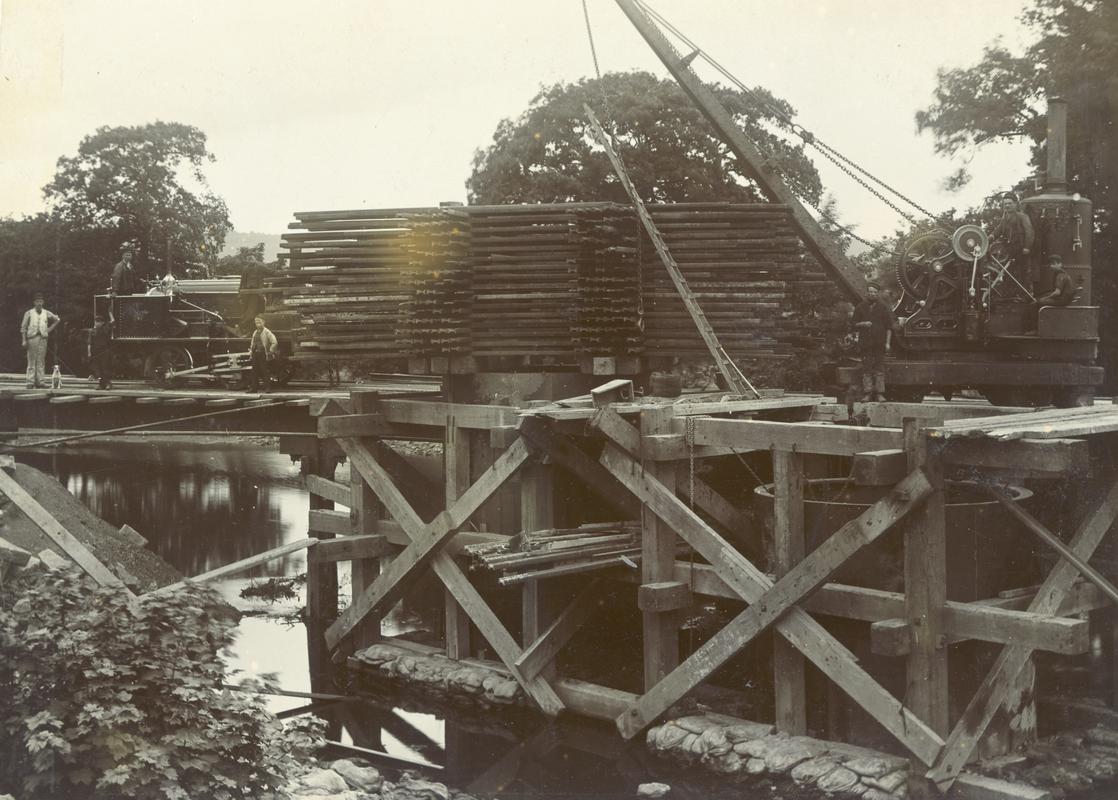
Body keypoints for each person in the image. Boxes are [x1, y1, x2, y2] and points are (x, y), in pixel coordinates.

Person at [851, 282, 896, 402]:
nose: (872, 294)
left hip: (879, 343)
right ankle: (868, 393)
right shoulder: (860, 307)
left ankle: (880, 394)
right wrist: (863, 324)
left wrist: (887, 343)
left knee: (879, 368)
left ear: (878, 293)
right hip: (865, 344)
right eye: (870, 292)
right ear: (867, 293)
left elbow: (889, 327)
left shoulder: (883, 308)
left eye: (874, 292)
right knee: (867, 368)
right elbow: (853, 324)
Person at [990, 194, 1035, 293]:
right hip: (1009, 250)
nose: (1007, 206)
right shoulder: (1005, 218)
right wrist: (991, 237)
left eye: (1010, 203)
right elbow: (999, 230)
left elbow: (1029, 232)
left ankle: (1026, 295)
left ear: (1015, 204)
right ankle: (1011, 295)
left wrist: (1027, 247)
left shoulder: (1022, 216)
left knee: (1023, 273)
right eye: (1005, 204)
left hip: (1021, 250)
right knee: (1009, 273)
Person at [20, 293, 61, 389]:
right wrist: (24, 340)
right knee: (31, 360)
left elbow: (57, 319)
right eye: (37, 301)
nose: (39, 303)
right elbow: (23, 328)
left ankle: (40, 382)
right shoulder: (29, 313)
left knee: (41, 361)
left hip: (43, 339)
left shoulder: (46, 312)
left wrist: (48, 330)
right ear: (34, 302)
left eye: (41, 301)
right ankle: (30, 382)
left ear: (43, 302)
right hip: (32, 338)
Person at [247, 315, 278, 392]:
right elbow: (252, 342)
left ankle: (267, 388)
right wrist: (251, 351)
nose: (257, 324)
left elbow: (274, 342)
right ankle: (254, 388)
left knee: (265, 371)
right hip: (255, 354)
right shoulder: (255, 332)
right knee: (254, 371)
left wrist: (270, 351)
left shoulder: (267, 332)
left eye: (259, 322)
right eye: (256, 322)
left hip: (263, 354)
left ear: (263, 322)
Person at [239, 260, 267, 334]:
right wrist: (240, 292)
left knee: (253, 310)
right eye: (249, 259)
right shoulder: (245, 269)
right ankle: (246, 328)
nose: (250, 260)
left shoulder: (259, 267)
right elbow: (242, 281)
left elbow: (270, 272)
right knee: (249, 311)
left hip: (256, 292)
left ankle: (247, 328)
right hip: (248, 292)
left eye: (252, 259)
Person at [87, 313, 114, 389]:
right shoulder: (92, 331)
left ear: (102, 322)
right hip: (96, 352)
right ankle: (101, 384)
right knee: (98, 369)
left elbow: (112, 321)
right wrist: (89, 353)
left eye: (98, 321)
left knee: (105, 367)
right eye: (96, 321)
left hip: (104, 351)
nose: (96, 323)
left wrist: (110, 313)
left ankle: (108, 384)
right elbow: (89, 343)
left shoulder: (105, 329)